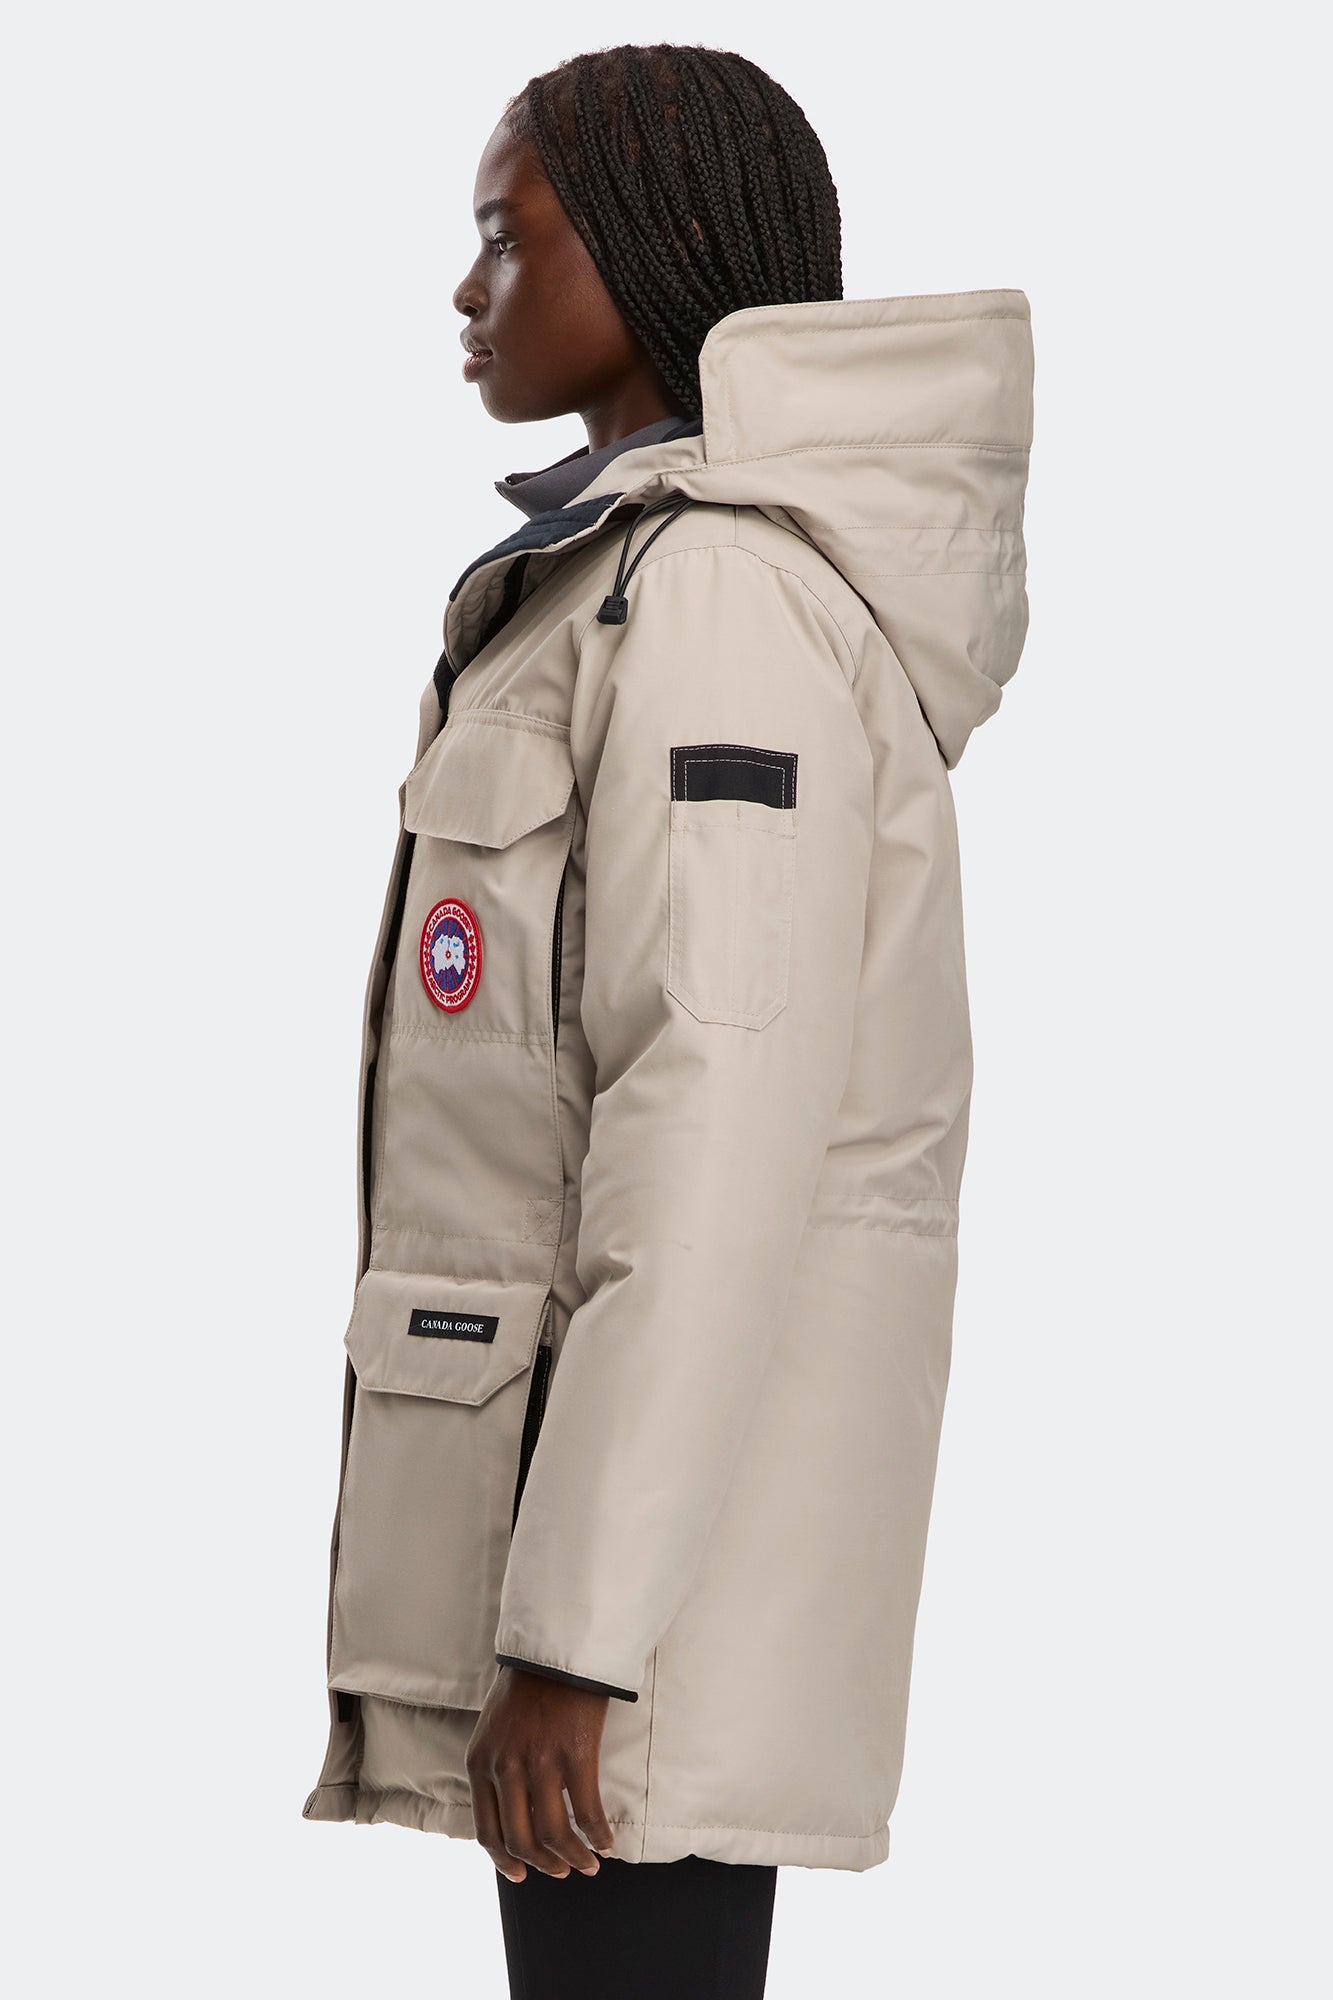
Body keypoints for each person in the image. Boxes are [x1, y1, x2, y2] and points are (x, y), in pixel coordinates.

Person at [303, 41, 1034, 2000]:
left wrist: (580, 1639)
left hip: (644, 1615)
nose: (467, 288)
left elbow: (710, 1128)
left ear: (651, 236)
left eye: (505, 237)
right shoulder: (617, 580)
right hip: (607, 1557)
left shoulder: (712, 600)